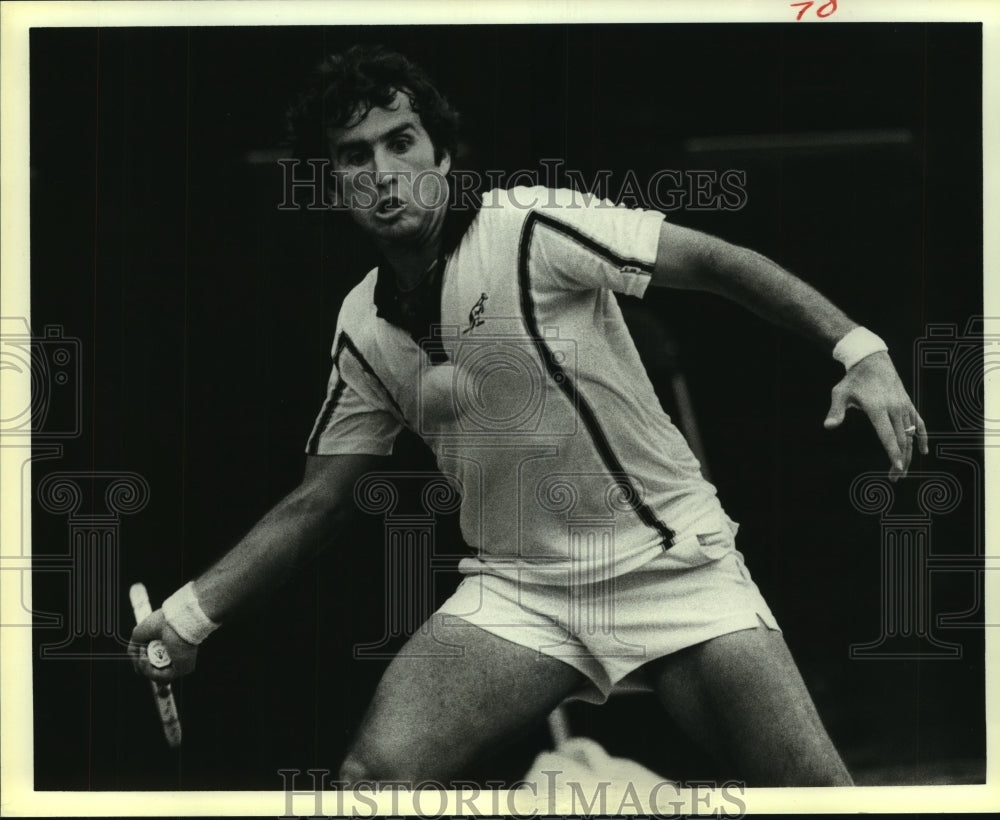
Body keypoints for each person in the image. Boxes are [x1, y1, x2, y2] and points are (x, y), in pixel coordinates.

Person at [130, 44, 928, 786]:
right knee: (372, 784)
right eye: (354, 156)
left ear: (440, 155)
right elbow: (318, 501)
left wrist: (861, 350)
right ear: (332, 183)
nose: (384, 173)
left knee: (818, 794)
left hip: (673, 569)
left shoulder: (532, 226)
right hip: (521, 591)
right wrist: (189, 619)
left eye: (401, 142)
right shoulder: (361, 327)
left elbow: (716, 262)